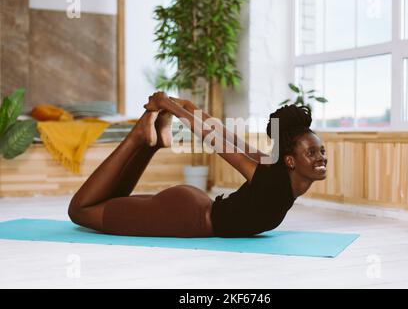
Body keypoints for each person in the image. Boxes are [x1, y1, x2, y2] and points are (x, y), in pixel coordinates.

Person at [68, 91, 327, 238]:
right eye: (312, 152)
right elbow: (217, 140)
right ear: (291, 160)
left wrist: (190, 108)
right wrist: (171, 106)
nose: (320, 158)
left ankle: (151, 142)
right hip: (184, 217)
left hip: (189, 208)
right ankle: (139, 137)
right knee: (79, 210)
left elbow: (229, 137)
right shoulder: (270, 180)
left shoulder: (275, 169)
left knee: (111, 200)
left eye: (321, 151)